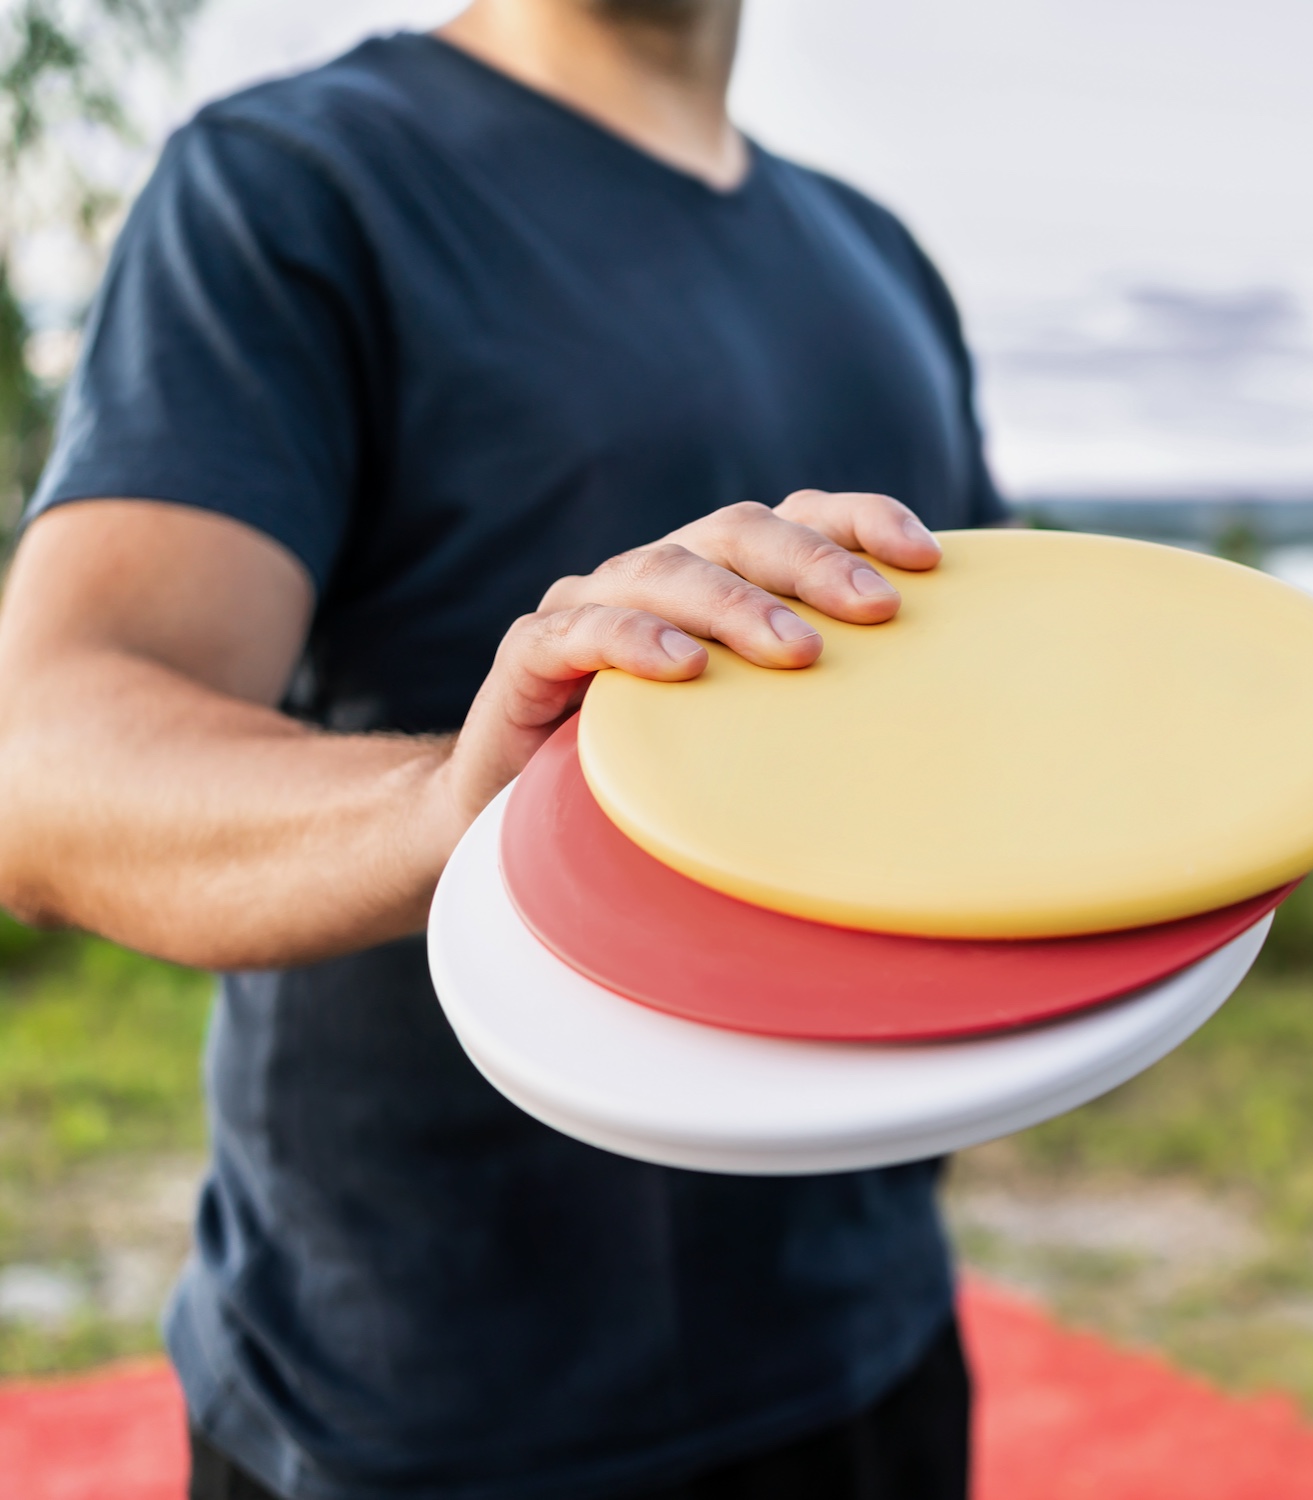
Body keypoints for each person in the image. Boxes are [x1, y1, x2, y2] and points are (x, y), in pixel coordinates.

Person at [0, 0, 1008, 1495]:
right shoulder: (295, 179)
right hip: (415, 1411)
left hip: (869, 1349)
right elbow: (44, 766)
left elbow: (953, 735)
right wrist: (469, 796)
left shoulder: (879, 261)